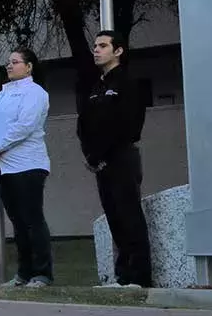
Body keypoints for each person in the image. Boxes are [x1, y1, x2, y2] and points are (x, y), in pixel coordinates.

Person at [78, 30, 151, 288]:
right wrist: (90, 155)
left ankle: (140, 277)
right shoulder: (96, 86)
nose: (96, 50)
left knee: (129, 216)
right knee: (114, 218)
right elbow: (84, 124)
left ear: (118, 51)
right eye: (95, 46)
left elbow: (128, 124)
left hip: (121, 158)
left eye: (103, 46)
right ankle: (122, 276)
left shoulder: (128, 83)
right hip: (101, 163)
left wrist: (102, 153)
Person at [0, 47, 53, 288]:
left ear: (29, 66)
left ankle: (42, 273)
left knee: (32, 219)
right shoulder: (1, 95)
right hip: (3, 167)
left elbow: (25, 125)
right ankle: (23, 273)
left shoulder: (36, 93)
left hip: (28, 165)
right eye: (8, 62)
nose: (9, 66)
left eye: (15, 62)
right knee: (18, 222)